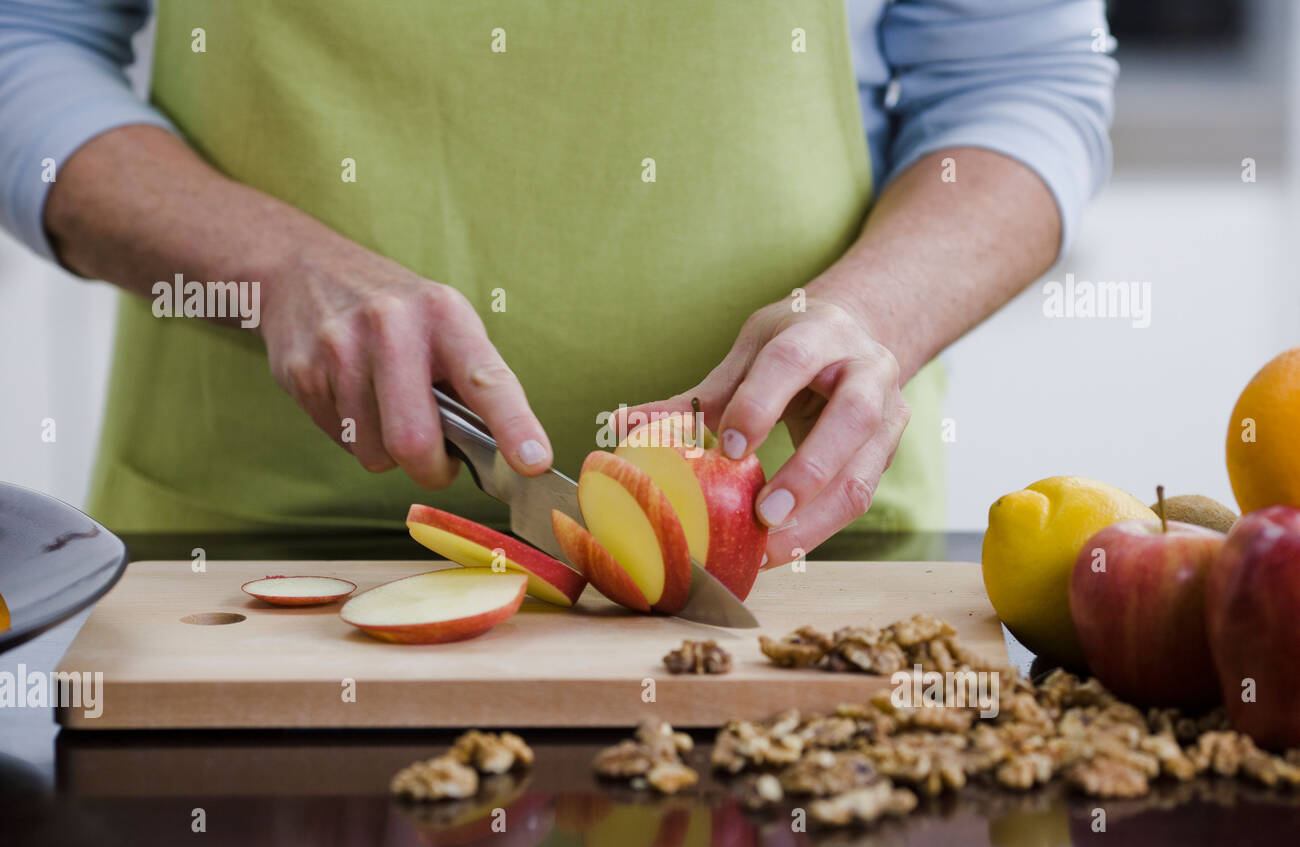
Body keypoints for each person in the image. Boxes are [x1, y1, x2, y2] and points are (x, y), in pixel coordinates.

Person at [0, 0, 1115, 567]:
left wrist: (874, 313)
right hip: (243, 568)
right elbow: (24, 39)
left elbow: (1020, 83)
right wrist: (270, 269)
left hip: (794, 574)